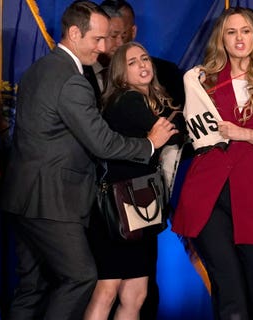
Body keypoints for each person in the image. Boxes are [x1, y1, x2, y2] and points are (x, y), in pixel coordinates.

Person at [0, 1, 177, 319]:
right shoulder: (72, 80)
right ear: (74, 33)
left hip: (22, 197)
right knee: (79, 278)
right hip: (52, 201)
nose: (104, 47)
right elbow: (103, 143)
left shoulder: (38, 69)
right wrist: (149, 144)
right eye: (98, 39)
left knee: (32, 287)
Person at [172, 7, 253, 320]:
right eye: (231, 32)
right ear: (222, 39)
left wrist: (245, 134)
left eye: (245, 31)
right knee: (230, 297)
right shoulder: (203, 79)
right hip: (207, 196)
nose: (239, 38)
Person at [84, 41, 185, 320]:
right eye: (132, 62)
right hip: (117, 210)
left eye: (144, 59)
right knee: (108, 290)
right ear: (119, 73)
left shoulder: (145, 100)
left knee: (136, 293)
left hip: (139, 207)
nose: (142, 65)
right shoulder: (128, 99)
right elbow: (173, 135)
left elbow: (169, 134)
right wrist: (176, 127)